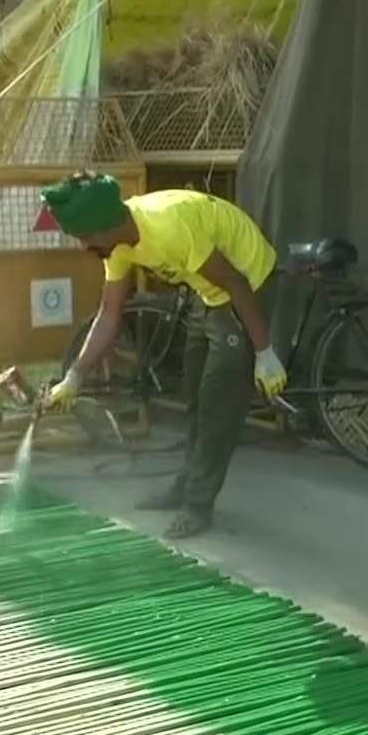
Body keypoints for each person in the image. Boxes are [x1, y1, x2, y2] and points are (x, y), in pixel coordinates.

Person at [41, 172, 287, 539]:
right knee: (194, 395)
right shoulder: (119, 245)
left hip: (248, 281)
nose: (82, 247)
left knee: (218, 404)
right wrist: (75, 376)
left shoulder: (166, 229)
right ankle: (186, 485)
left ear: (107, 225)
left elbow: (234, 281)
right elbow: (109, 313)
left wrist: (265, 352)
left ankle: (198, 505)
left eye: (86, 237)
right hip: (208, 291)